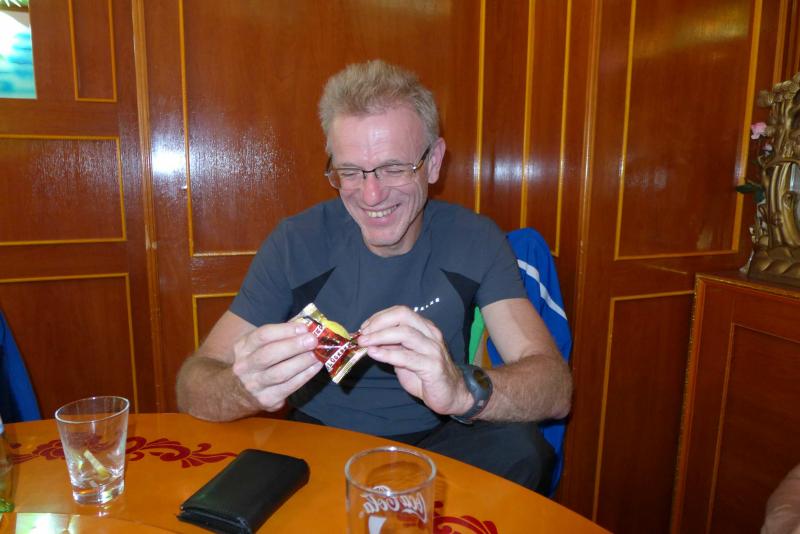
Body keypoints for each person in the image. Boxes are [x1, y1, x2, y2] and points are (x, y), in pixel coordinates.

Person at [176, 59, 573, 494]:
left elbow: (554, 387)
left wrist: (460, 391)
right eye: (350, 172)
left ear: (434, 162)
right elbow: (194, 383)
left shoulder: (475, 238)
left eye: (393, 168)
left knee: (523, 448)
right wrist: (242, 389)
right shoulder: (296, 242)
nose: (371, 195)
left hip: (443, 443)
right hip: (321, 439)